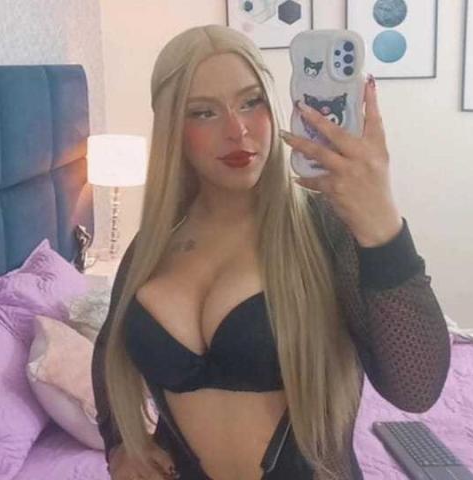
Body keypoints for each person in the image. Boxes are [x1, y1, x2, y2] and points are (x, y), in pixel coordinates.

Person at [91, 24, 451, 480]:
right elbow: (109, 350)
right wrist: (119, 442)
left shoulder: (324, 229)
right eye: (203, 112)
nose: (237, 130)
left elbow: (416, 389)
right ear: (171, 129)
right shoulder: (152, 246)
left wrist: (382, 225)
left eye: (250, 102)